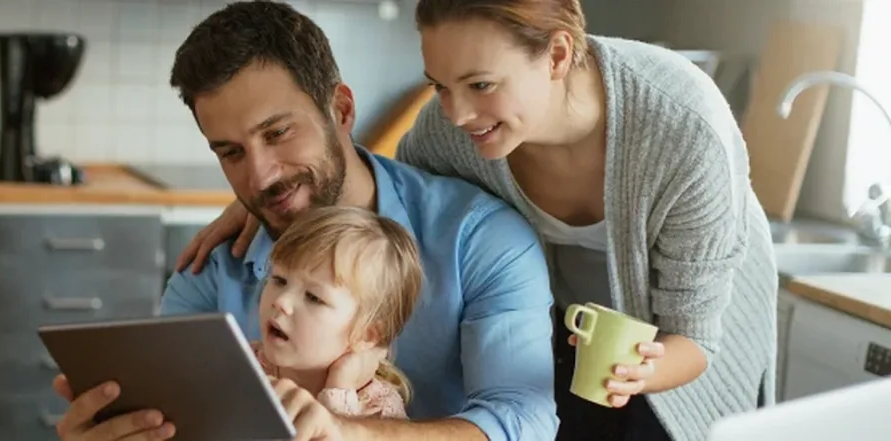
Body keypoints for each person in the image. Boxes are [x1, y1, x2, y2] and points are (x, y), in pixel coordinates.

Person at [176, 1, 780, 441]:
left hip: (680, 335)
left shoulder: (683, 131)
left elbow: (693, 339)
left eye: (480, 84)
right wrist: (269, 195)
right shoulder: (453, 130)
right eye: (439, 86)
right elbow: (382, 207)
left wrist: (346, 429)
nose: (457, 110)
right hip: (568, 331)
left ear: (559, 55)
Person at [52, 1, 560, 441]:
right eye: (230, 152)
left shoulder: (480, 238)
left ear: (339, 109)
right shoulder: (211, 269)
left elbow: (525, 422)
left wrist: (347, 431)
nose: (260, 176)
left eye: (277, 133)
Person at [251, 205, 422, 419]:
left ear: (367, 335)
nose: (281, 301)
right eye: (279, 280)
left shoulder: (378, 410)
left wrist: (338, 389)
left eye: (313, 297)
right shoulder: (245, 365)